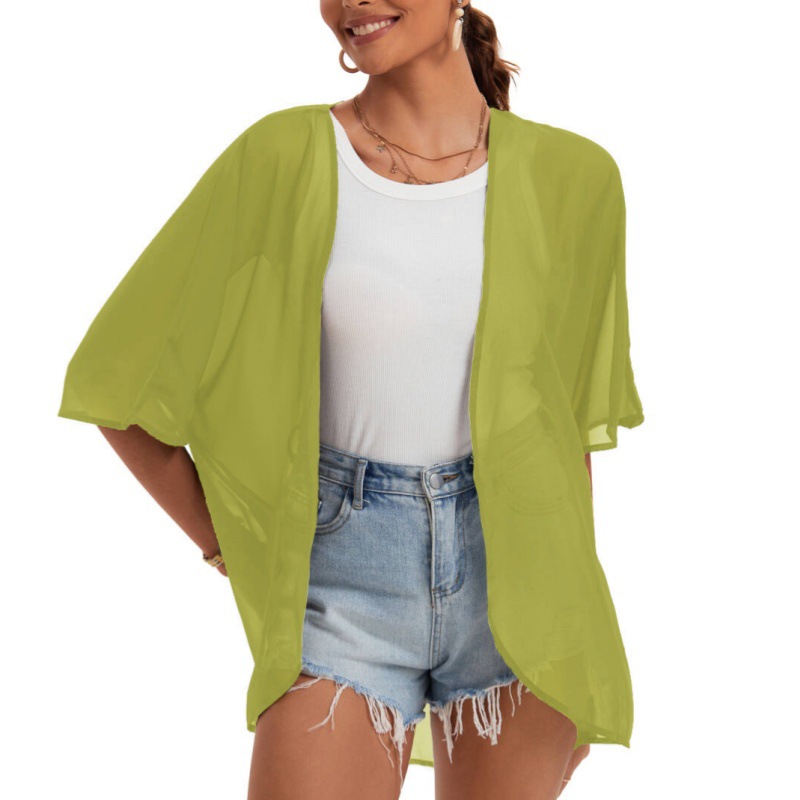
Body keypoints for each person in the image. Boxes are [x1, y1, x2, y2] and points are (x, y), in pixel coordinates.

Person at [59, 1, 644, 798]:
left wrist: (573, 643)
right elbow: (116, 385)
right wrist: (237, 549)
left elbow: (565, 426)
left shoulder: (577, 178)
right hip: (341, 582)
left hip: (523, 587)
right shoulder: (283, 156)